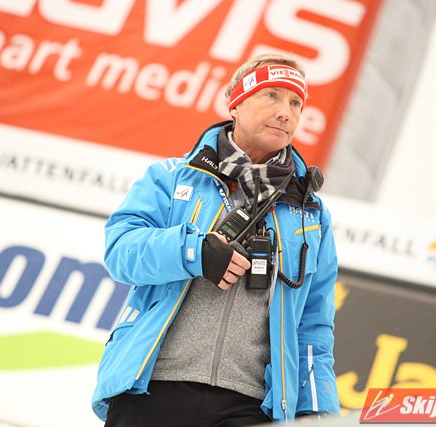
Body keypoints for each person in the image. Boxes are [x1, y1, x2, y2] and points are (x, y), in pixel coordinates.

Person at [92, 52, 340, 426]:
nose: (285, 113)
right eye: (271, 96)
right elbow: (121, 251)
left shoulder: (311, 213)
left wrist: (316, 411)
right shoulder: (171, 177)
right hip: (154, 385)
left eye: (296, 103)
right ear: (235, 104)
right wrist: (196, 251)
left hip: (252, 404)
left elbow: (314, 326)